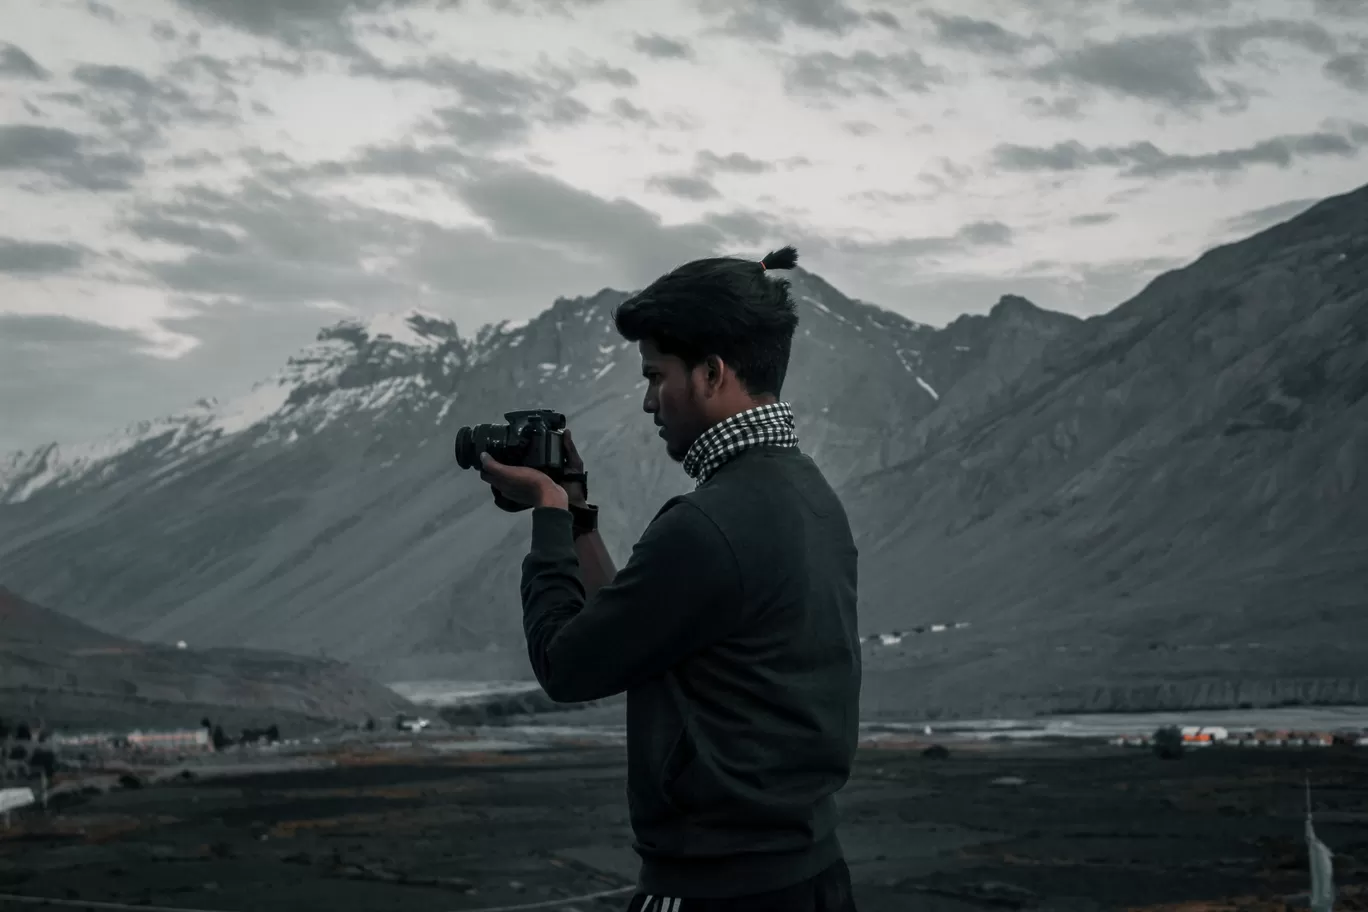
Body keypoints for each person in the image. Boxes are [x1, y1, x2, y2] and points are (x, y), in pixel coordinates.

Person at [479, 245, 862, 911]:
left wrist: (545, 514)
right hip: (810, 880)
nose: (650, 402)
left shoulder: (709, 524)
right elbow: (629, 632)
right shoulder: (811, 498)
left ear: (711, 373)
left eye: (656, 377)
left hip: (719, 893)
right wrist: (578, 513)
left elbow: (568, 666)